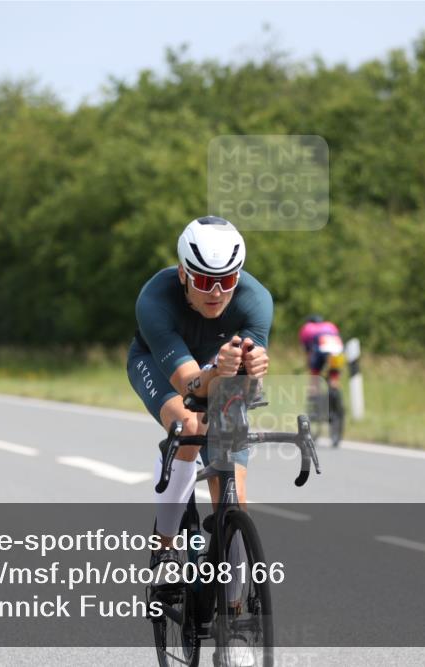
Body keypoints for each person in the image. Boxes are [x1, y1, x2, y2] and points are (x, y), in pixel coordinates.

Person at [127, 216, 272, 584]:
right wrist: (218, 371)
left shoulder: (256, 300)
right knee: (188, 425)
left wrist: (253, 372)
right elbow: (190, 385)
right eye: (205, 281)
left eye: (227, 280)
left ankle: (233, 602)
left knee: (234, 495)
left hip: (217, 370)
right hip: (160, 365)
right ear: (183, 273)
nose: (217, 292)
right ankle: (164, 545)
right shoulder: (154, 300)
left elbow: (244, 391)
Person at [298, 314, 345, 392]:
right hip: (338, 350)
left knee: (315, 374)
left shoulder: (307, 327)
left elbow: (308, 351)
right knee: (334, 376)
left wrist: (309, 364)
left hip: (321, 350)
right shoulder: (330, 326)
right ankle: (335, 389)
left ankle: (314, 394)